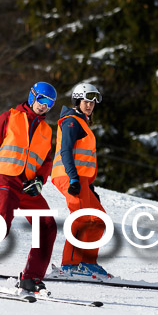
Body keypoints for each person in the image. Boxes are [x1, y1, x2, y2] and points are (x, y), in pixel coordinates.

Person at [0, 82, 58, 293]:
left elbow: (47, 161)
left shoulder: (46, 130)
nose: (44, 106)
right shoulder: (10, 117)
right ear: (32, 96)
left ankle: (30, 279)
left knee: (47, 225)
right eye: (41, 100)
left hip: (28, 185)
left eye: (49, 103)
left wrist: (40, 179)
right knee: (3, 222)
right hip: (6, 178)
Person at [51, 82, 112, 278]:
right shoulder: (71, 121)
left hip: (80, 179)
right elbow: (66, 151)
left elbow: (81, 157)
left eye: (92, 103)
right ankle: (69, 265)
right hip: (69, 177)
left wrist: (89, 186)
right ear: (77, 101)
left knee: (99, 220)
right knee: (81, 219)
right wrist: (74, 179)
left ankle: (86, 262)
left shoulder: (82, 122)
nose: (89, 105)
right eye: (86, 101)